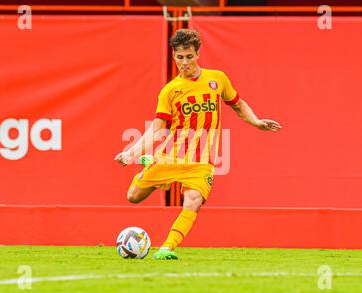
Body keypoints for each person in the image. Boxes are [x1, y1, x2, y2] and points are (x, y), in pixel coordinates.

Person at [115, 29, 282, 260]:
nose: (184, 62)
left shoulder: (217, 79)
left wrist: (256, 121)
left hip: (201, 161)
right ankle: (151, 167)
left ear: (198, 54)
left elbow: (237, 103)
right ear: (174, 56)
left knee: (193, 201)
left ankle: (166, 248)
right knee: (133, 196)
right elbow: (157, 129)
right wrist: (131, 153)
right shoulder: (170, 91)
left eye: (189, 56)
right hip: (170, 156)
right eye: (179, 57)